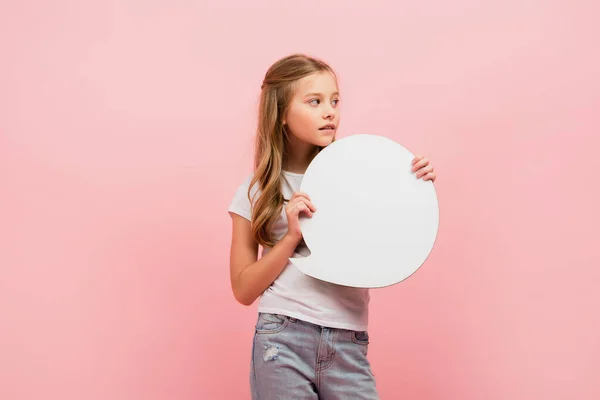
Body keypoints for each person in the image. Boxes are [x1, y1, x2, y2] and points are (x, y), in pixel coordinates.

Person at [227, 53, 437, 400]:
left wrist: (415, 184)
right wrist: (291, 237)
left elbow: (391, 230)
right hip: (282, 338)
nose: (330, 112)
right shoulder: (256, 192)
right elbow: (243, 289)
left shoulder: (356, 177)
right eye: (315, 102)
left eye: (335, 101)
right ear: (280, 113)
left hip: (348, 341)